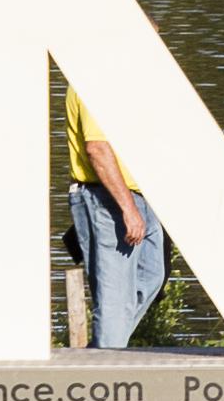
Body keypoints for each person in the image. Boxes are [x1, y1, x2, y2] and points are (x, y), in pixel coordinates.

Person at [63, 79, 164, 353]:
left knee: (151, 275)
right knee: (115, 301)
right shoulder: (94, 84)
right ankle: (104, 371)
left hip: (137, 195)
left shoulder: (120, 83)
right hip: (109, 199)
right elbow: (97, 149)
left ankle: (104, 349)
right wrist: (128, 208)